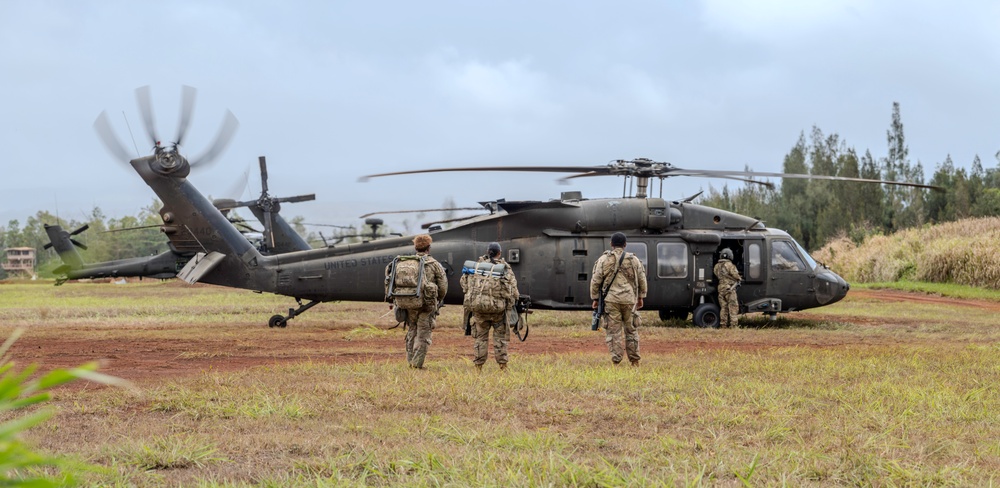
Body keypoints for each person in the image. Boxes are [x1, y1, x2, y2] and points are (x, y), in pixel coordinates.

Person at [385, 234, 448, 369]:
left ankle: (410, 361)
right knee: (423, 333)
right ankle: (416, 364)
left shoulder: (402, 262)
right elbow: (443, 286)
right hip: (426, 305)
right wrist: (438, 299)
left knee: (412, 330)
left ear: (416, 247)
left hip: (408, 303)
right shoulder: (434, 264)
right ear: (428, 248)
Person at [590, 232, 647, 366]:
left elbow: (596, 281)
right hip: (629, 300)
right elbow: (642, 280)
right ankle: (635, 361)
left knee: (613, 332)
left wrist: (595, 298)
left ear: (611, 244)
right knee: (631, 330)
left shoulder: (604, 260)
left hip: (611, 301)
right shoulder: (634, 260)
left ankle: (616, 361)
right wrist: (641, 297)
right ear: (625, 245)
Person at [461, 242, 519, 371]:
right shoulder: (504, 268)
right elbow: (513, 290)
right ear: (499, 253)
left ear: (488, 252)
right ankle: (503, 366)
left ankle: (478, 367)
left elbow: (464, 285)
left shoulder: (476, 267)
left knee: (480, 338)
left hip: (479, 310)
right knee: (500, 339)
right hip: (498, 311)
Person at [714, 248, 742, 328]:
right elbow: (736, 275)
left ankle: (723, 325)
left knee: (723, 308)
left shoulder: (716, 266)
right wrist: (739, 278)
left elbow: (716, 274)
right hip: (729, 288)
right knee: (733, 306)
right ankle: (734, 326)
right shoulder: (729, 265)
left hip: (720, 288)